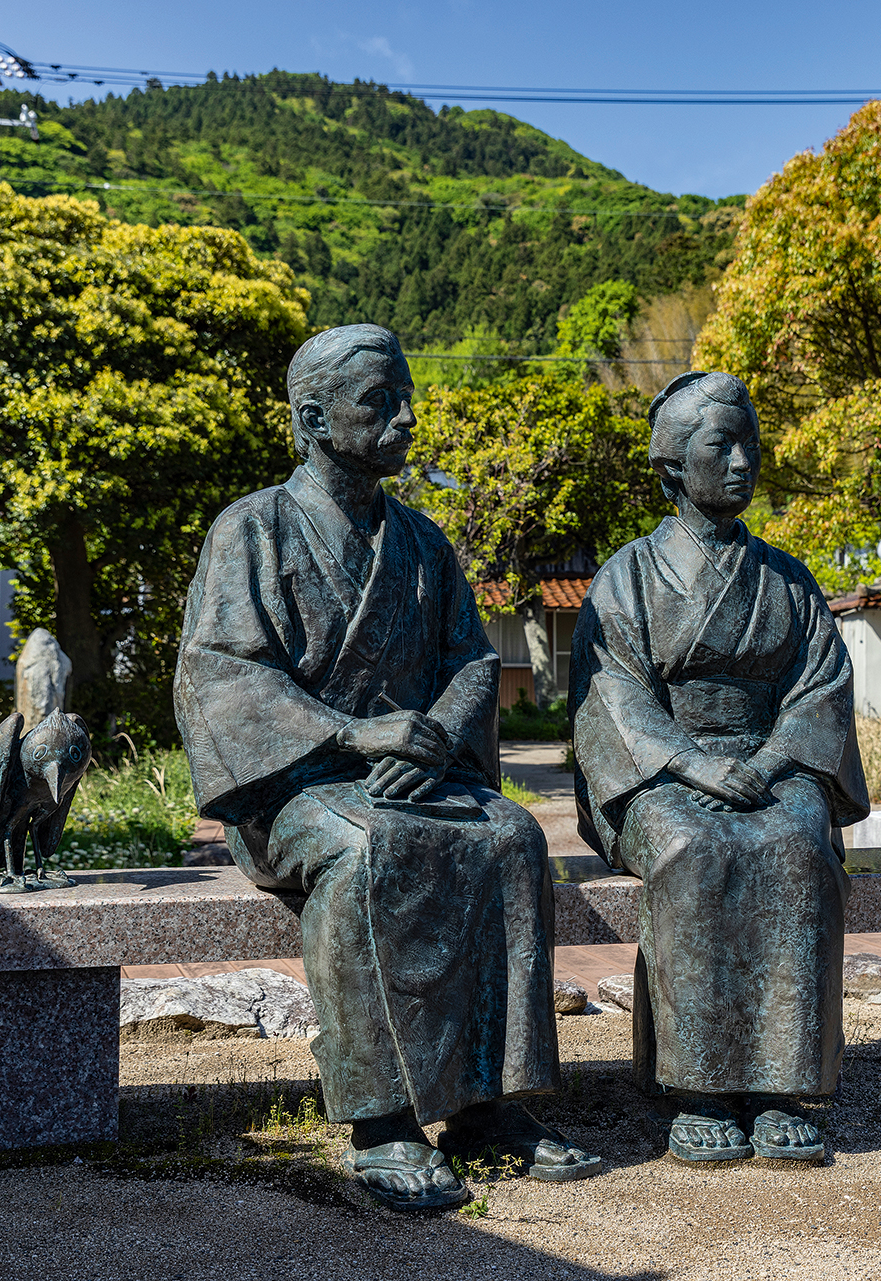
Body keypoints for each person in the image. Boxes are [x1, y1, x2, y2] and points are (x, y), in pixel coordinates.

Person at [174, 324, 599, 1211]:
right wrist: (353, 735)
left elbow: (471, 662)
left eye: (406, 395)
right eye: (381, 402)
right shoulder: (250, 529)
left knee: (513, 835)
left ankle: (491, 1105)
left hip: (419, 772)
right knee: (368, 851)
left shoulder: (422, 541)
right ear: (314, 419)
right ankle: (383, 1116)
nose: (407, 416)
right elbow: (221, 673)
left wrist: (437, 735)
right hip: (291, 787)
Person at [570, 370, 870, 1164]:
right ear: (671, 467)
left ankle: (780, 1084)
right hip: (664, 772)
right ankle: (697, 1086)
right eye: (720, 445)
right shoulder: (628, 576)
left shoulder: (789, 579)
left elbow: (822, 688)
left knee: (799, 848)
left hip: (776, 763)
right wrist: (693, 763)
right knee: (692, 849)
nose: (742, 461)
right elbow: (613, 698)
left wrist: (772, 760)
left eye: (751, 444)